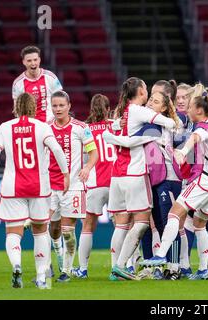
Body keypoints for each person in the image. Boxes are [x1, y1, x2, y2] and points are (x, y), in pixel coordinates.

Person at [0, 93, 69, 289]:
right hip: (39, 187)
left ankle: (17, 265)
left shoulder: (5, 127)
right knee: (40, 231)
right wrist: (65, 173)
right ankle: (40, 277)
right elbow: (57, 150)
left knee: (13, 232)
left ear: (15, 107)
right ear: (34, 108)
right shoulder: (42, 127)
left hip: (13, 187)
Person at [141, 88, 208, 281]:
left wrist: (182, 151)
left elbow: (196, 138)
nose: (187, 110)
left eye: (190, 107)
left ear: (199, 111)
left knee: (173, 214)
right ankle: (204, 270)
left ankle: (161, 254)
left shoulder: (202, 128)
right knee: (200, 224)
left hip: (204, 179)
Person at [101, 77, 177, 281]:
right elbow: (168, 122)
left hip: (116, 174)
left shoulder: (123, 111)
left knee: (121, 224)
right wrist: (162, 121)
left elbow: (115, 127)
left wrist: (116, 131)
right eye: (147, 91)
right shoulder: (138, 111)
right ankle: (119, 266)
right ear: (142, 92)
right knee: (143, 223)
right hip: (134, 173)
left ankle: (114, 269)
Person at [48, 90, 99, 282]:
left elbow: (94, 153)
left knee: (68, 230)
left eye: (62, 105)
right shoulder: (46, 128)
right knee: (53, 229)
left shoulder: (81, 127)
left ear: (69, 106)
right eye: (55, 105)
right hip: (50, 187)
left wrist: (87, 167)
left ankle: (66, 271)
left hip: (75, 186)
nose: (58, 109)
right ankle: (58, 253)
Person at [72, 94, 116, 278]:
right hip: (116, 182)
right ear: (108, 109)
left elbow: (82, 158)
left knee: (88, 226)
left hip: (94, 183)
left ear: (91, 109)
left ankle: (82, 269)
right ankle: (120, 267)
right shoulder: (116, 126)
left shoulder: (85, 129)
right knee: (122, 225)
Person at [12, 46, 63, 123]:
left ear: (39, 60)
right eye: (29, 60)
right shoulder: (18, 83)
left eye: (35, 60)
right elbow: (17, 109)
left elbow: (61, 99)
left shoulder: (50, 77)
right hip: (31, 126)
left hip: (50, 124)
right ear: (24, 62)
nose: (33, 63)